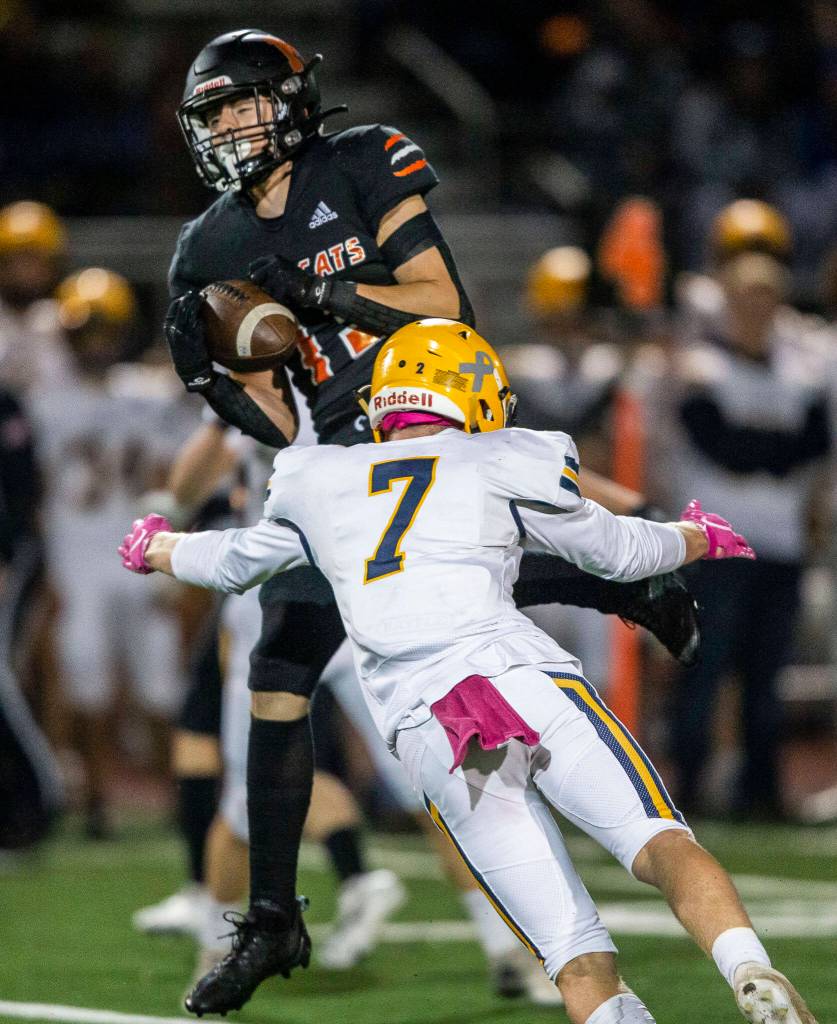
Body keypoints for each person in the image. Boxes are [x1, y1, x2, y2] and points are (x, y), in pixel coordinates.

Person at [163, 25, 699, 1008]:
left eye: (243, 103)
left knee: (364, 608)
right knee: (280, 667)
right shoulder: (211, 244)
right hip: (337, 452)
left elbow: (444, 301)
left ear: (285, 100)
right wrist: (231, 378)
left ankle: (275, 918)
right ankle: (274, 919)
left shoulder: (361, 162)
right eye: (215, 114)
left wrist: (322, 290)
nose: (232, 127)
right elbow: (244, 397)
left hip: (432, 412)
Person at [122, 319, 816, 1024]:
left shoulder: (320, 479)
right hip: (516, 675)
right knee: (658, 843)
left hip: (436, 730)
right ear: (473, 394)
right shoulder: (507, 458)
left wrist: (157, 546)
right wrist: (693, 535)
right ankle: (747, 969)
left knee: (574, 956)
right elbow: (616, 552)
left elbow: (236, 561)